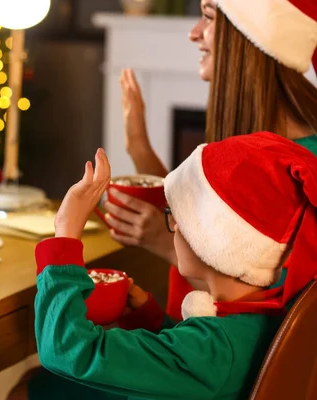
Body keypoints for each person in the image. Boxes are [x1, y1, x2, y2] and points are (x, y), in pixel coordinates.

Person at [22, 133, 317, 400]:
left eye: (183, 218)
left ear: (218, 242)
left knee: (28, 388)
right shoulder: (256, 322)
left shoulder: (213, 352)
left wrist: (66, 231)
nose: (173, 224)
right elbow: (185, 369)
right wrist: (148, 319)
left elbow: (64, 350)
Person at [104, 0, 317, 320]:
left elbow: (268, 312)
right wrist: (138, 146)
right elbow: (199, 218)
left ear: (248, 36)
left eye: (207, 17)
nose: (194, 33)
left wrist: (164, 242)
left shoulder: (300, 169)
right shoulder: (256, 148)